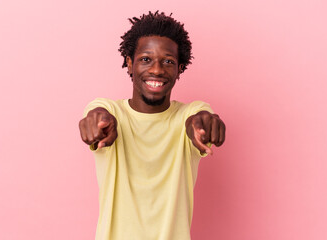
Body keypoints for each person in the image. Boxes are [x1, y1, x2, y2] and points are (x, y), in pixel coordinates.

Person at [79, 11, 226, 240]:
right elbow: (98, 113)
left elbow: (198, 118)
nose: (157, 70)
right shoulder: (110, 111)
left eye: (168, 61)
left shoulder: (189, 113)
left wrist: (204, 123)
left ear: (180, 69)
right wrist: (97, 122)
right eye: (146, 59)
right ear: (129, 63)